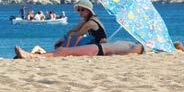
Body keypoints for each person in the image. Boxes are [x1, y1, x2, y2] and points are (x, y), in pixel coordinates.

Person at [15, 40, 145, 59]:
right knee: (64, 51)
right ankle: (35, 55)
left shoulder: (137, 47)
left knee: (64, 51)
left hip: (99, 50)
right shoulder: (131, 44)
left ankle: (33, 56)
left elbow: (133, 52)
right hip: (99, 48)